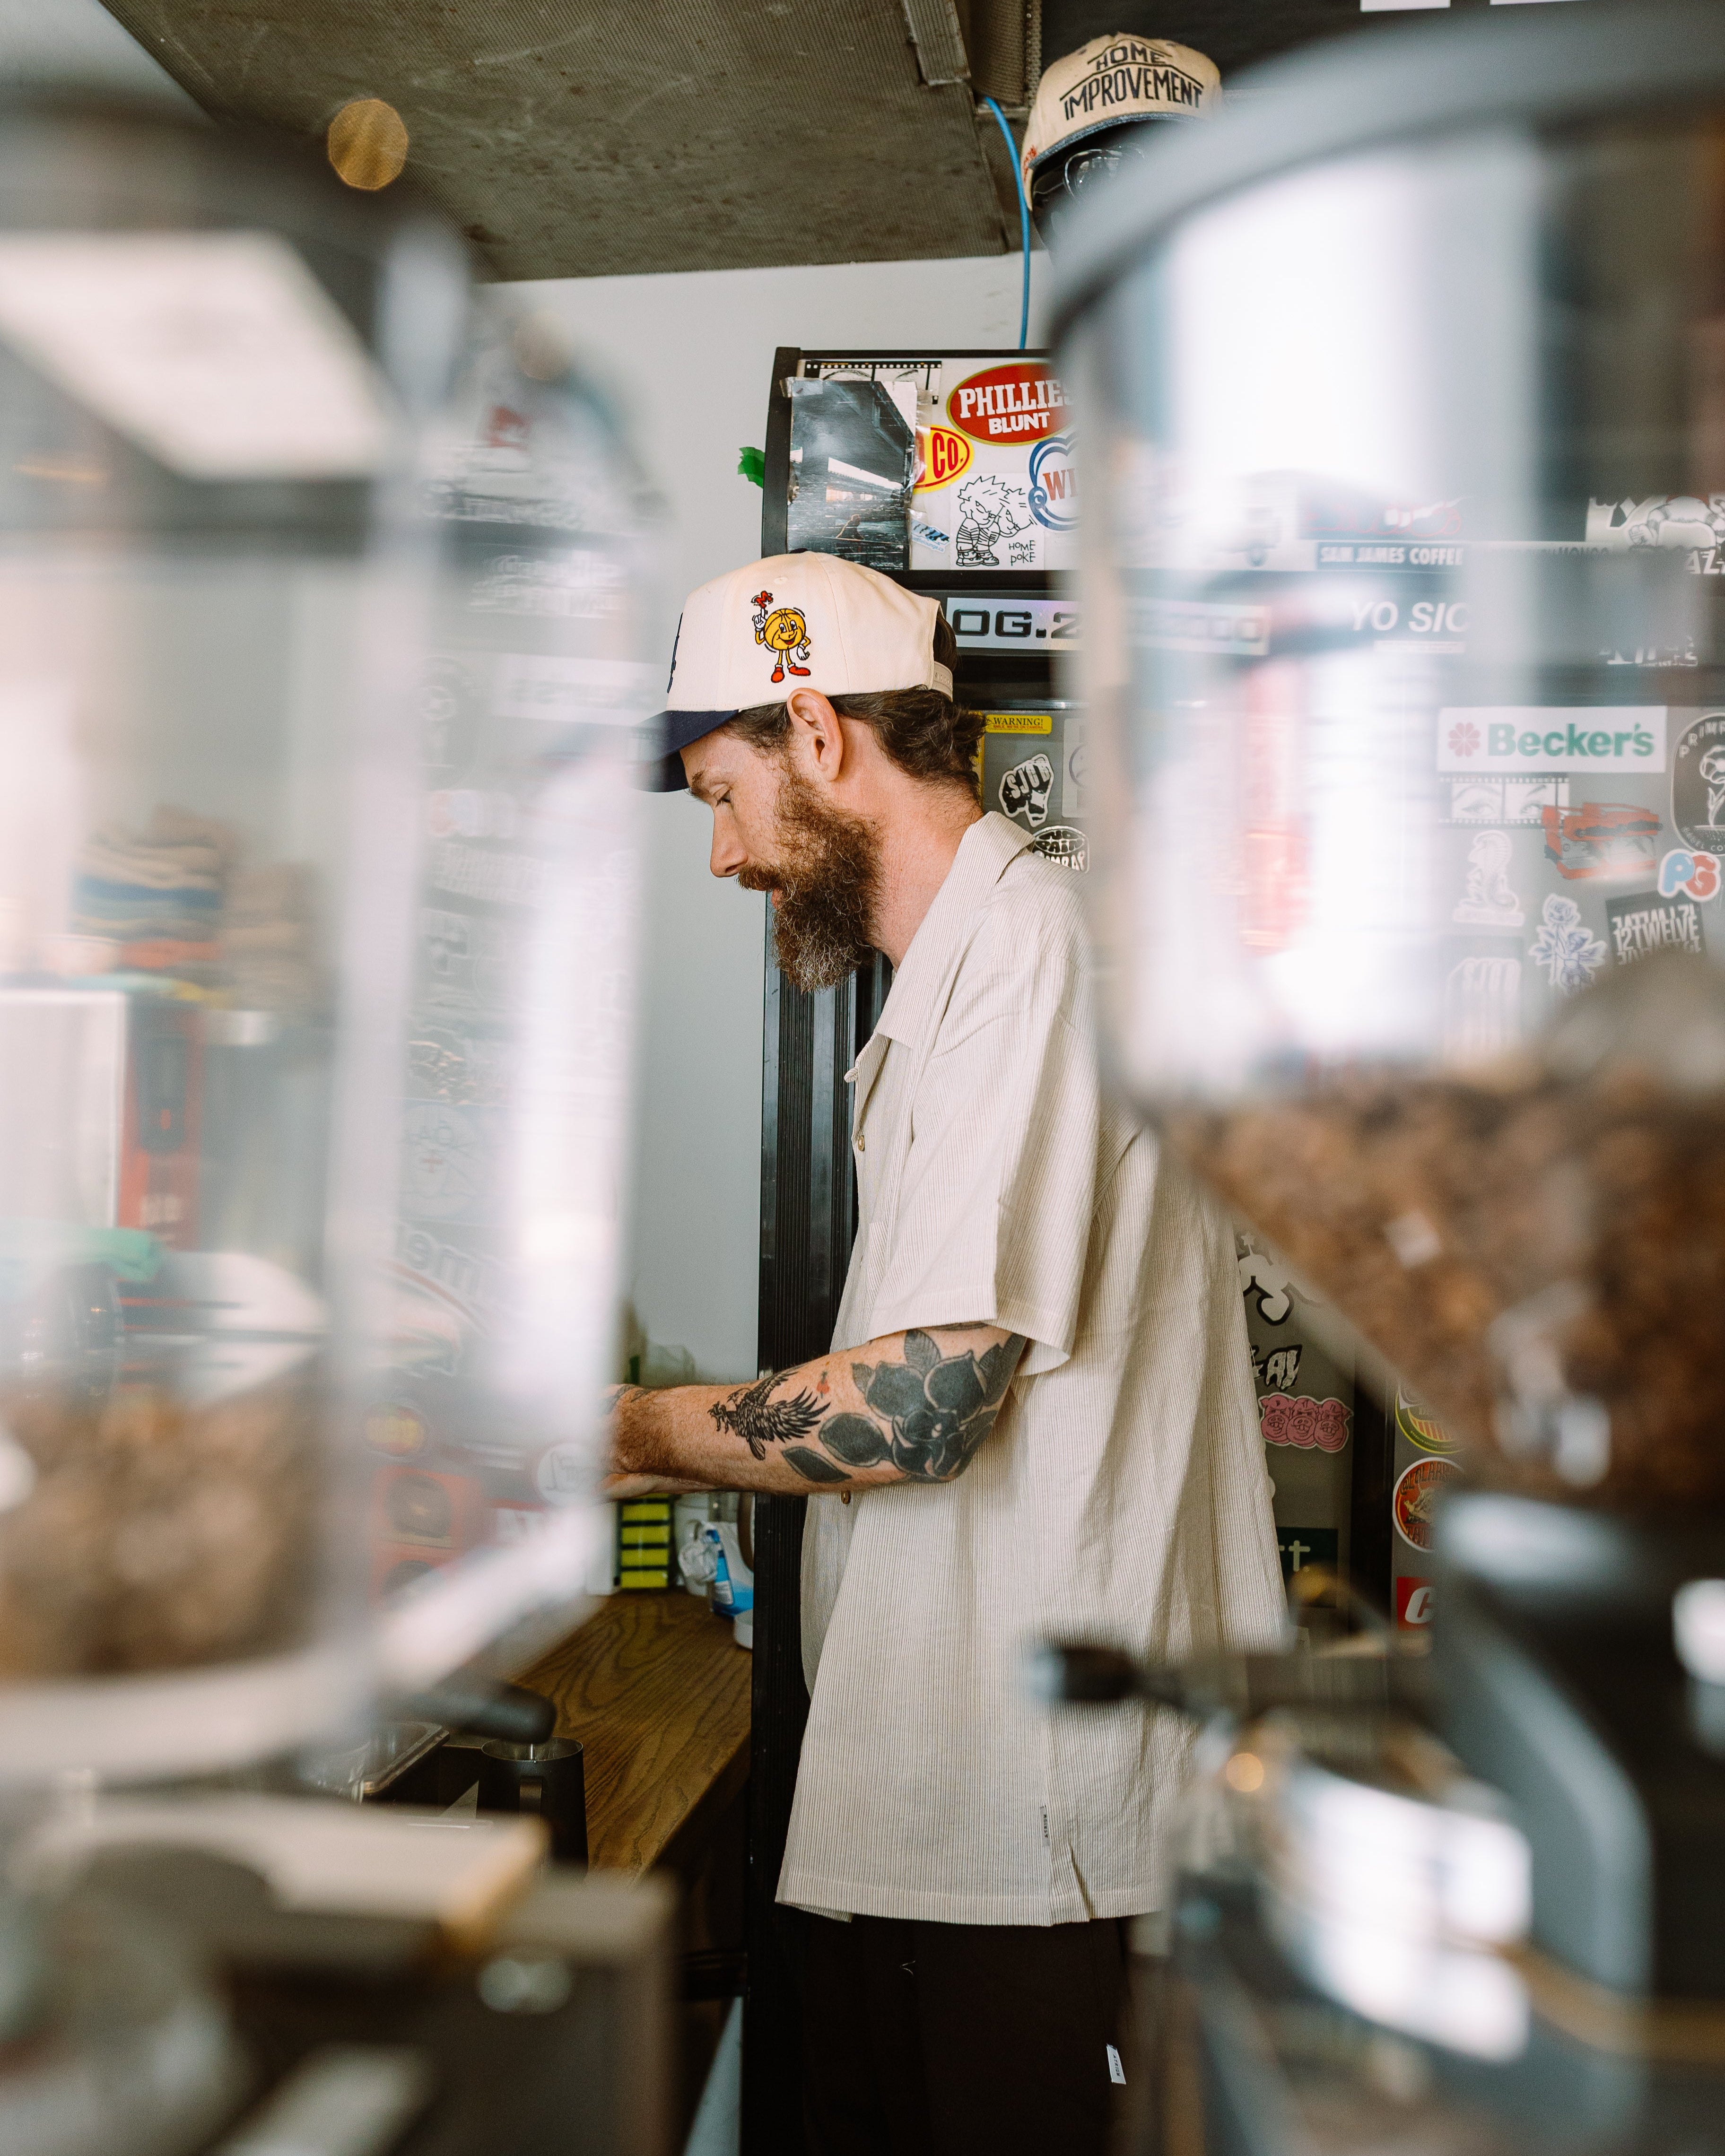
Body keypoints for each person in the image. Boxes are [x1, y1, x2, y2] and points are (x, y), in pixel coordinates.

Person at [609, 550, 1283, 2156]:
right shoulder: (957, 987)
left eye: (722, 794)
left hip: (1037, 1833)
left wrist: (627, 1433)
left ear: (817, 735)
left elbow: (920, 1412)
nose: (722, 855)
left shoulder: (1032, 957)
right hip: (956, 1804)